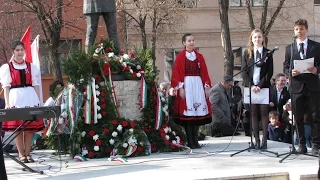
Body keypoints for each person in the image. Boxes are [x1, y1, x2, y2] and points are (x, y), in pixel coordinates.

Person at [0, 40, 44, 163]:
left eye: (21, 50)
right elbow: (6, 87)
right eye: (17, 50)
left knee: (29, 128)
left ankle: (28, 153)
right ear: (13, 52)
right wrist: (8, 103)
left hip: (30, 98)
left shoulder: (31, 67)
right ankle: (21, 154)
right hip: (16, 98)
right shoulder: (7, 68)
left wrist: (38, 100)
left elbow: (35, 84)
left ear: (24, 51)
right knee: (19, 128)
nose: (20, 52)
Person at [283, 19, 320, 155]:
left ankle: (315, 145)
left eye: (301, 29)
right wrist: (290, 73)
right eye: (297, 29)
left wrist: (317, 70)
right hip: (297, 86)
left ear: (307, 30)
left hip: (312, 85)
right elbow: (286, 66)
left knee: (315, 116)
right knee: (297, 117)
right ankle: (301, 144)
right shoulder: (289, 48)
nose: (299, 32)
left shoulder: (316, 46)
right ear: (294, 31)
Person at [170, 33, 212, 149]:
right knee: (189, 115)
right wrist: (181, 88)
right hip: (187, 85)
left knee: (197, 115)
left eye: (193, 40)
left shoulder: (199, 56)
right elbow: (177, 74)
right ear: (184, 43)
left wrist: (206, 86)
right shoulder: (180, 57)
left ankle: (195, 140)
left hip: (197, 86)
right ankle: (190, 141)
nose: (191, 42)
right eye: (189, 41)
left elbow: (204, 72)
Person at [241, 28, 274, 149]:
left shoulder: (268, 53)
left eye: (259, 37)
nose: (257, 39)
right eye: (255, 37)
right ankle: (256, 140)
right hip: (251, 87)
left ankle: (264, 140)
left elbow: (269, 72)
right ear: (251, 39)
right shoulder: (247, 53)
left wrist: (259, 85)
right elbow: (244, 72)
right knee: (253, 113)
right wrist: (252, 86)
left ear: (263, 39)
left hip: (263, 87)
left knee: (264, 113)